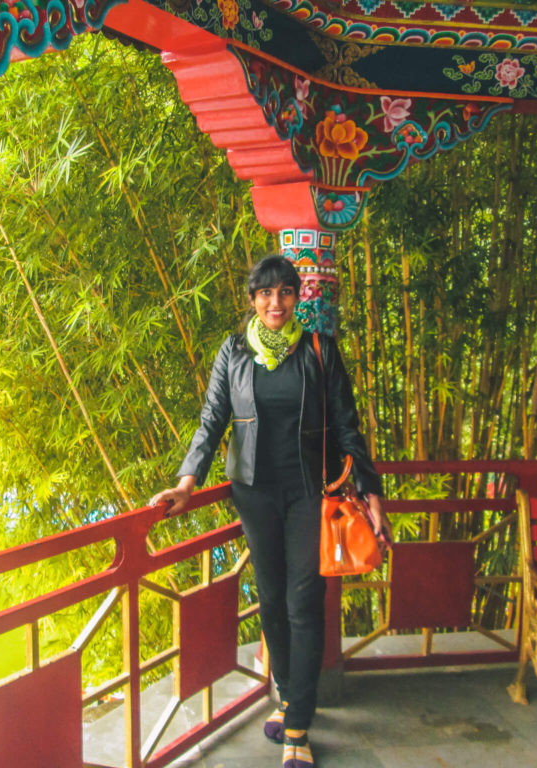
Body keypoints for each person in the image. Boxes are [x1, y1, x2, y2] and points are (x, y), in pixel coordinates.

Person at [151, 254, 391, 768]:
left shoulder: (321, 350)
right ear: (252, 300)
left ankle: (298, 727)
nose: (275, 303)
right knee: (272, 602)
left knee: (304, 601)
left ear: (297, 296)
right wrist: (187, 482)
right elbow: (213, 419)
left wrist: (373, 496)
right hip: (254, 494)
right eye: (264, 294)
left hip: (310, 491)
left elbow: (348, 426)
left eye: (284, 292)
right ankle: (289, 699)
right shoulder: (233, 352)